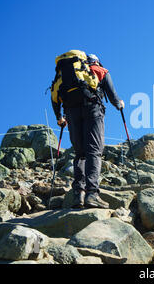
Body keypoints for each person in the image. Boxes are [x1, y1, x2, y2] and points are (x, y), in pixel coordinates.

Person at [52, 53, 124, 209]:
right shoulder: (99, 70)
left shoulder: (63, 76)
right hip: (92, 109)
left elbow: (54, 97)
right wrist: (119, 104)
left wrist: (59, 118)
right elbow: (112, 95)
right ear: (95, 61)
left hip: (71, 113)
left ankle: (79, 194)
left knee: (80, 154)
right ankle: (92, 194)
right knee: (94, 151)